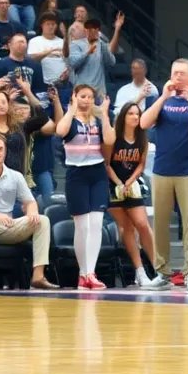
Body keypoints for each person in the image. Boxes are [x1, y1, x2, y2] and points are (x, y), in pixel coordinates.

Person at [139, 59, 188, 290]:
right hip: (162, 169)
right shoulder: (161, 101)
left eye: (182, 73)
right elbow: (143, 123)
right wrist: (162, 97)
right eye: (174, 73)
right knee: (160, 223)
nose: (177, 77)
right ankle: (162, 273)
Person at [0, 134, 58, 291]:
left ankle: (38, 276)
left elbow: (30, 202)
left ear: (5, 151)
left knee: (42, 220)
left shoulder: (16, 176)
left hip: (8, 226)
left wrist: (32, 212)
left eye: (1, 149)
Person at [56, 84, 115, 289]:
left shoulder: (98, 120)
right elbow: (60, 131)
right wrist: (71, 108)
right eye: (83, 96)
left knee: (97, 224)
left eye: (90, 97)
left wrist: (105, 114)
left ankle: (91, 272)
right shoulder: (70, 119)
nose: (87, 100)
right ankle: (83, 273)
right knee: (83, 226)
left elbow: (110, 139)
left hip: (97, 172)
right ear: (75, 97)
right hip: (76, 174)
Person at [106, 102, 155, 286]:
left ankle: (158, 268)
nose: (135, 117)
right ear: (123, 117)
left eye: (137, 114)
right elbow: (107, 163)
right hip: (114, 186)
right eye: (131, 114)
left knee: (142, 224)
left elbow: (141, 164)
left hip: (132, 185)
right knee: (127, 228)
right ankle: (139, 271)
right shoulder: (113, 138)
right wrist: (119, 183)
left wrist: (130, 181)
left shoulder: (143, 139)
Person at [68, 15, 123, 100]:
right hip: (82, 91)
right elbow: (73, 63)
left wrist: (102, 44)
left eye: (95, 28)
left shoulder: (101, 44)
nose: (93, 30)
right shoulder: (76, 44)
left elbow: (112, 62)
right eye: (89, 28)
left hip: (99, 93)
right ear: (85, 30)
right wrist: (87, 53)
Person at [27, 11, 69, 88]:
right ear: (42, 25)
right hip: (44, 84)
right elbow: (31, 59)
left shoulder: (62, 42)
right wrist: (49, 52)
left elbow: (69, 61)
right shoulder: (34, 41)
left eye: (53, 24)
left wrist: (68, 71)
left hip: (63, 82)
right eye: (48, 24)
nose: (51, 27)